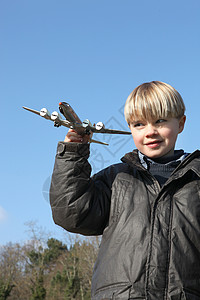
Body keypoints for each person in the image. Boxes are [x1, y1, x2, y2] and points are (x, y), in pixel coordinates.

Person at [49, 81, 200, 300]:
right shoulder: (116, 178)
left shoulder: (196, 180)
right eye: (139, 124)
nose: (150, 131)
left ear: (181, 123)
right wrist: (73, 153)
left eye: (160, 121)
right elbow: (71, 213)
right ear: (130, 128)